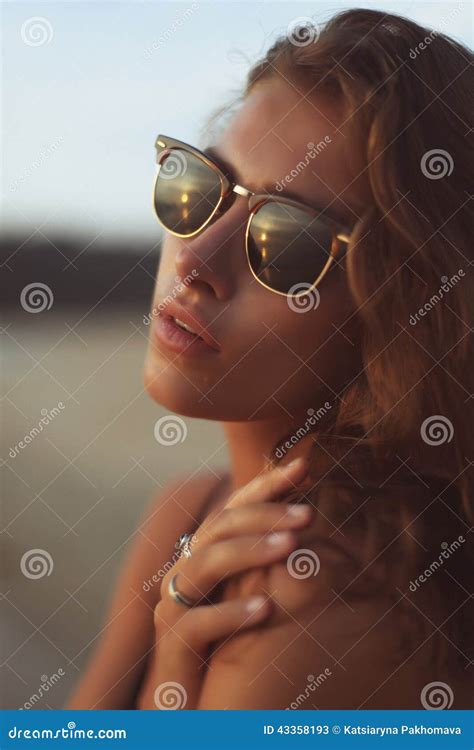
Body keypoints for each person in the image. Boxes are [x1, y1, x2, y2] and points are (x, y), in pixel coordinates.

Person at [66, 8, 473, 710]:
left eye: (286, 240)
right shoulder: (188, 515)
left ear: (405, 308)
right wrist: (171, 668)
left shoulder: (312, 601)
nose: (194, 262)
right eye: (197, 188)